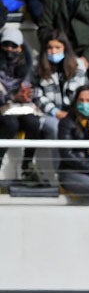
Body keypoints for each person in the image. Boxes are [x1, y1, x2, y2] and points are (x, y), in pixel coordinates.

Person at [0, 26, 46, 186]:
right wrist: (12, 97)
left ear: (20, 47)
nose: (9, 49)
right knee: (10, 124)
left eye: (14, 46)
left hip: (23, 106)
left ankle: (27, 163)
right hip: (3, 107)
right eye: (6, 45)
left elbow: (33, 88)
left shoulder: (28, 66)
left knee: (33, 122)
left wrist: (26, 95)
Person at [33, 32, 89, 141]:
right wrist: (56, 112)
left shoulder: (78, 66)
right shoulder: (38, 67)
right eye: (49, 48)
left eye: (57, 47)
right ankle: (58, 159)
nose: (53, 51)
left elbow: (83, 91)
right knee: (56, 128)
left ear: (65, 48)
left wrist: (73, 113)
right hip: (48, 114)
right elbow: (37, 96)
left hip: (75, 112)